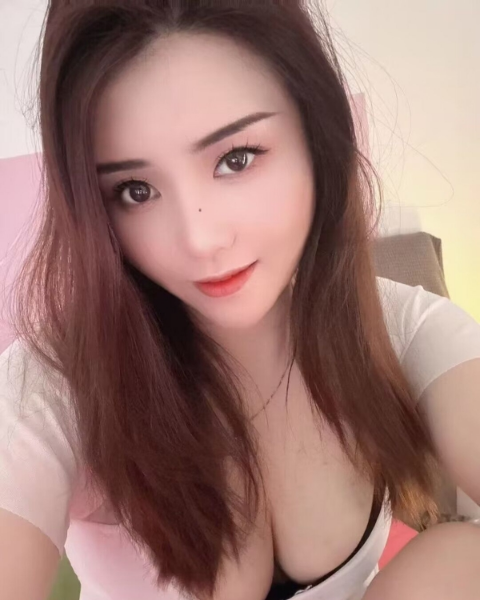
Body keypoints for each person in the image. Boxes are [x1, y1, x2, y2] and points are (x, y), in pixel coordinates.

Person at [1, 1, 480, 599]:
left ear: (315, 135)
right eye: (135, 190)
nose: (200, 239)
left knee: (458, 558)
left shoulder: (396, 327)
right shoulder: (57, 385)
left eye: (236, 158)